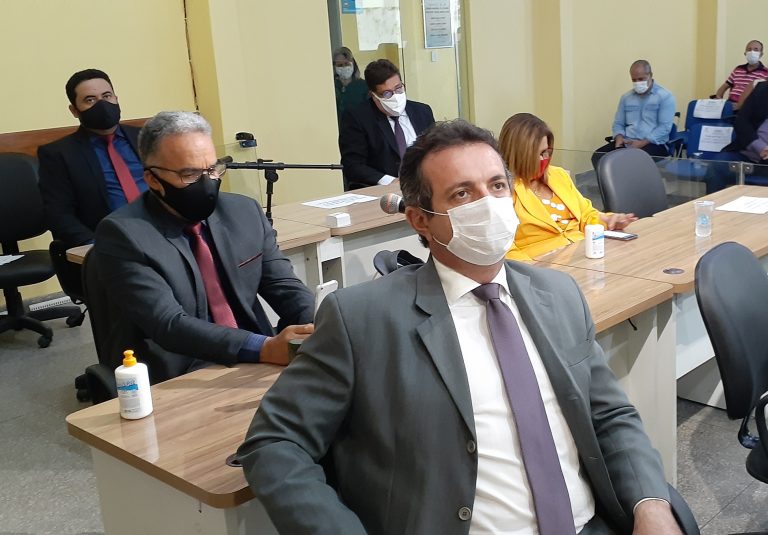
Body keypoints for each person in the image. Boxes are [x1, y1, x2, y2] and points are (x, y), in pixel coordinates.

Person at [238, 119, 682, 535]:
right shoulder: (361, 319)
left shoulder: (558, 294)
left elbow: (609, 415)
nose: (489, 204)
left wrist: (651, 504)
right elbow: (274, 442)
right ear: (420, 220)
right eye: (462, 194)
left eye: (497, 186)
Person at [93, 111, 315, 382]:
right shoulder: (123, 234)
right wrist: (265, 347)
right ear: (152, 179)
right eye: (190, 174)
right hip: (181, 372)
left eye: (212, 169)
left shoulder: (244, 212)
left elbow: (284, 285)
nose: (207, 182)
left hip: (257, 357)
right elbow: (168, 324)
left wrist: (313, 325)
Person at [501, 113, 636, 261]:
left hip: (582, 254)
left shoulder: (558, 175)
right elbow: (505, 250)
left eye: (546, 152)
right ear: (518, 155)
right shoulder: (504, 192)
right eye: (537, 154)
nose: (543, 159)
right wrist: (532, 270)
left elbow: (586, 214)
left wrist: (609, 220)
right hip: (541, 264)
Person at [38, 69, 148, 248]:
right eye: (90, 100)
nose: (102, 104)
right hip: (110, 244)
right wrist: (96, 247)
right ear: (74, 110)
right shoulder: (58, 154)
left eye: (107, 96)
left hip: (164, 234)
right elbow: (58, 215)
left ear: (116, 98)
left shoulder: (146, 138)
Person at [339, 58, 435, 190]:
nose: (395, 96)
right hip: (383, 192)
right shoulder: (358, 118)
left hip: (425, 187)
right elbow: (352, 165)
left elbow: (436, 151)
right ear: (373, 96)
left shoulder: (422, 112)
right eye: (387, 93)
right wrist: (390, 182)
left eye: (399, 88)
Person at [592, 60, 676, 170]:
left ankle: (629, 181)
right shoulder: (626, 98)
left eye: (641, 79)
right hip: (627, 142)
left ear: (650, 75)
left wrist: (640, 143)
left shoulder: (665, 97)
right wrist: (619, 139)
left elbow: (664, 128)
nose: (637, 83)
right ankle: (608, 181)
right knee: (598, 157)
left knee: (630, 162)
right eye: (634, 80)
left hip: (653, 144)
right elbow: (618, 123)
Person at [714, 40, 768, 110]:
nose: (752, 52)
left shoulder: (765, 73)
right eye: (749, 49)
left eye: (756, 50)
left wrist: (741, 106)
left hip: (749, 109)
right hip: (731, 105)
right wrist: (718, 100)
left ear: (761, 54)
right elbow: (724, 87)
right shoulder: (738, 69)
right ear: (745, 53)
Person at [332, 46, 368, 124]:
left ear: (353, 64)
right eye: (340, 65)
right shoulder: (332, 87)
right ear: (334, 67)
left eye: (346, 64)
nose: (344, 67)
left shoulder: (364, 86)